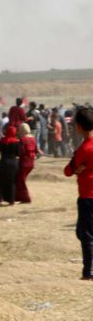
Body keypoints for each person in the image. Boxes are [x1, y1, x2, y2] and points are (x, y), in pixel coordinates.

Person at [63, 108, 93, 280]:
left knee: (85, 234)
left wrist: (80, 170)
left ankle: (88, 271)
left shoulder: (84, 148)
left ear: (79, 126)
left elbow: (68, 170)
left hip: (88, 196)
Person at [0, 107, 25, 206]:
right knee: (12, 182)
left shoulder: (2, 141)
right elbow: (19, 153)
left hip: (3, 162)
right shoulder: (17, 142)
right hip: (13, 163)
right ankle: (12, 200)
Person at [16, 124, 38, 204]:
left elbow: (21, 151)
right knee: (21, 180)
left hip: (24, 162)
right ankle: (19, 197)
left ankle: (26, 198)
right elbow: (36, 150)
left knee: (20, 181)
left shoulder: (22, 139)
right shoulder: (32, 138)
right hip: (31, 162)